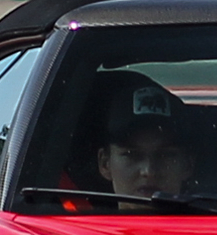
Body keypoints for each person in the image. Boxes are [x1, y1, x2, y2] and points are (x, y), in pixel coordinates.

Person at [79, 76, 199, 208]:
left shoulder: (212, 226)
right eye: (132, 154)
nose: (149, 171)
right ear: (105, 164)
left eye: (164, 155)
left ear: (187, 165)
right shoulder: (73, 227)